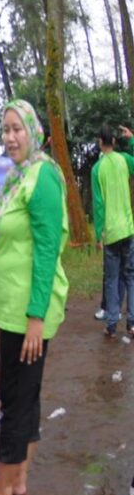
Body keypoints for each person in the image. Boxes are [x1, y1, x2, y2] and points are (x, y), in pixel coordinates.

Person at [0, 99, 69, 495]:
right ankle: (17, 477)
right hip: (14, 309)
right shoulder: (19, 176)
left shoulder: (42, 177)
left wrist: (35, 318)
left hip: (29, 311)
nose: (10, 137)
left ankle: (1, 493)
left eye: (17, 129)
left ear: (33, 131)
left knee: (14, 398)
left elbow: (46, 250)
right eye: (5, 129)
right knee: (25, 394)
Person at [92, 124, 134, 338]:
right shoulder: (125, 160)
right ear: (114, 141)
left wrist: (98, 234)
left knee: (111, 278)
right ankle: (132, 323)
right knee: (130, 276)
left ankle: (111, 324)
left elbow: (98, 206)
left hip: (110, 232)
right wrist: (132, 140)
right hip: (128, 228)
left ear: (101, 142)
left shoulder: (97, 169)